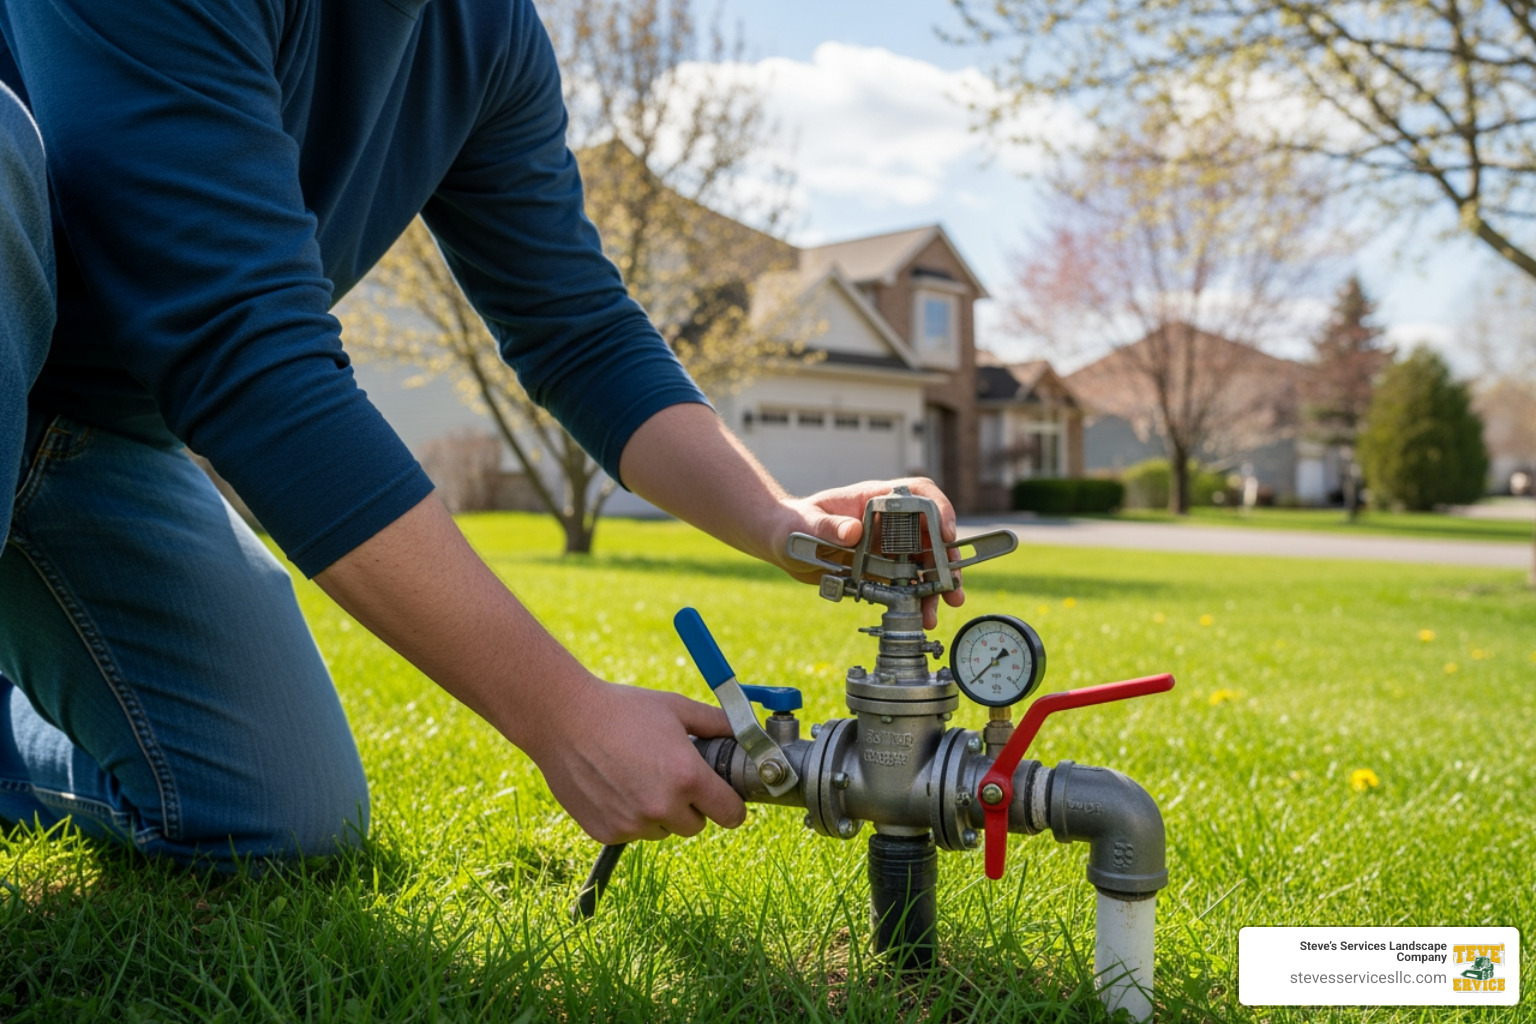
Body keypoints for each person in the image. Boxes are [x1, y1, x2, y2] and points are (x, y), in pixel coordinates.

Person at [0, 0, 962, 868]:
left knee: (278, 816)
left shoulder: (484, 31)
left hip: (96, 429)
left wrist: (776, 517)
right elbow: (243, 348)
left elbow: (577, 328)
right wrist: (562, 711)